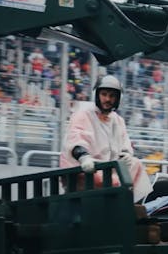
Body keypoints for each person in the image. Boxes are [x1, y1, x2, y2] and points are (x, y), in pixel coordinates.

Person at [60, 75, 152, 203]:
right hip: (86, 169)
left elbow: (125, 144)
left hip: (109, 169)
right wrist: (84, 156)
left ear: (117, 99)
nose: (107, 99)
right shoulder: (83, 114)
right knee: (102, 177)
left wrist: (126, 155)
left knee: (136, 163)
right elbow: (76, 138)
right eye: (104, 94)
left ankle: (133, 204)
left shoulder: (118, 121)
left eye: (112, 96)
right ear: (97, 95)